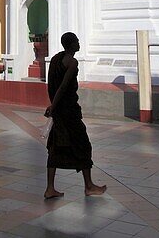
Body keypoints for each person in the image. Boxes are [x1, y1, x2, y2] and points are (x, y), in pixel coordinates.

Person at [44, 32, 106, 199]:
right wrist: (54, 105)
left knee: (55, 148)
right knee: (83, 145)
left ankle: (50, 188)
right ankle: (89, 185)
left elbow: (51, 85)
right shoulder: (72, 62)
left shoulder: (56, 59)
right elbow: (63, 87)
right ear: (71, 44)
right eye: (77, 41)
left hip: (59, 112)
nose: (79, 43)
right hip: (68, 111)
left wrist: (53, 106)